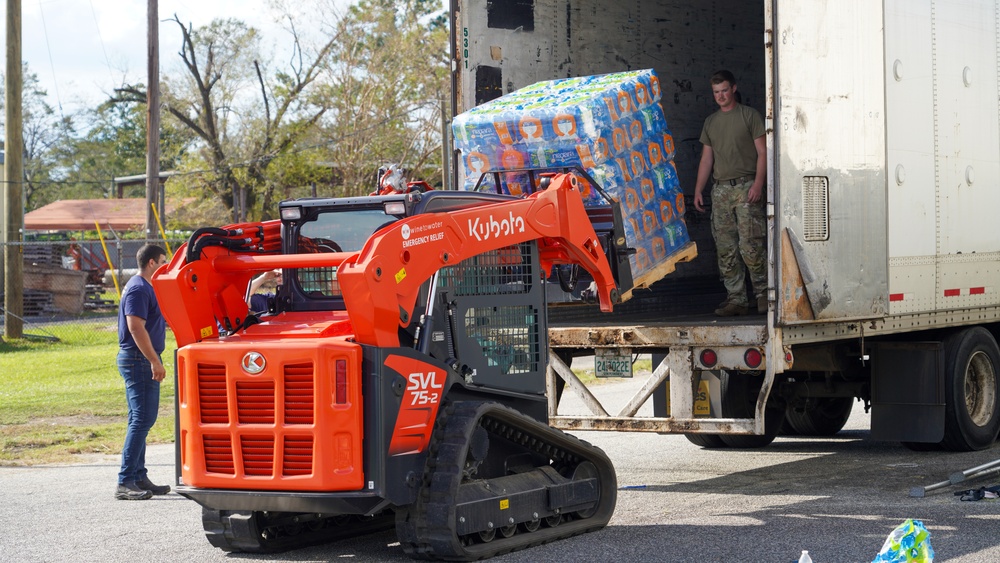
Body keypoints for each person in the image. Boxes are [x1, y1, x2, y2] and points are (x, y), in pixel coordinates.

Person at [693, 70, 767, 317]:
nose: (720, 96)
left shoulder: (749, 116)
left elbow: (763, 153)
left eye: (724, 90)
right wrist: (698, 190)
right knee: (726, 247)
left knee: (751, 245)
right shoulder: (711, 122)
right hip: (721, 190)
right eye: (716, 92)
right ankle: (736, 298)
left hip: (746, 187)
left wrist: (758, 184)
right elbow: (706, 159)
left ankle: (764, 294)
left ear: (733, 89)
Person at [115, 244, 170, 500]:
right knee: (141, 420)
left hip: (141, 359)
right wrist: (153, 361)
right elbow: (135, 327)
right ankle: (126, 481)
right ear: (150, 263)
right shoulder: (138, 288)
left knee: (141, 420)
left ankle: (139, 476)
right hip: (138, 360)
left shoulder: (146, 287)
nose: (164, 264)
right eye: (162, 260)